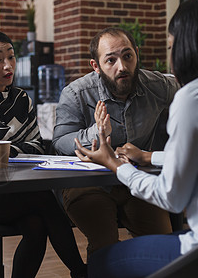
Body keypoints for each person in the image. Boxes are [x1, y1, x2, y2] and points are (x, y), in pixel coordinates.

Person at [74, 0, 198, 278]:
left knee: (101, 263)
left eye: (172, 46)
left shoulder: (194, 97)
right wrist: (149, 156)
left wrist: (116, 164)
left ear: (188, 48)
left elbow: (171, 196)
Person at [0, 29, 87, 278]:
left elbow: (36, 147)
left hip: (12, 189)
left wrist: (4, 151)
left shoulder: (22, 99)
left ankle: (80, 272)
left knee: (36, 225)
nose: (7, 65)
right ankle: (80, 272)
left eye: (11, 57)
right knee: (44, 199)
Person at [52, 27, 179, 257]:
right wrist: (96, 132)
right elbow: (59, 142)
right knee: (105, 246)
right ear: (96, 66)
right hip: (89, 183)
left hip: (136, 180)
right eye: (111, 60)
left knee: (163, 246)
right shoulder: (77, 93)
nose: (122, 67)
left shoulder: (157, 86)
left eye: (127, 56)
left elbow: (192, 91)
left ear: (136, 54)